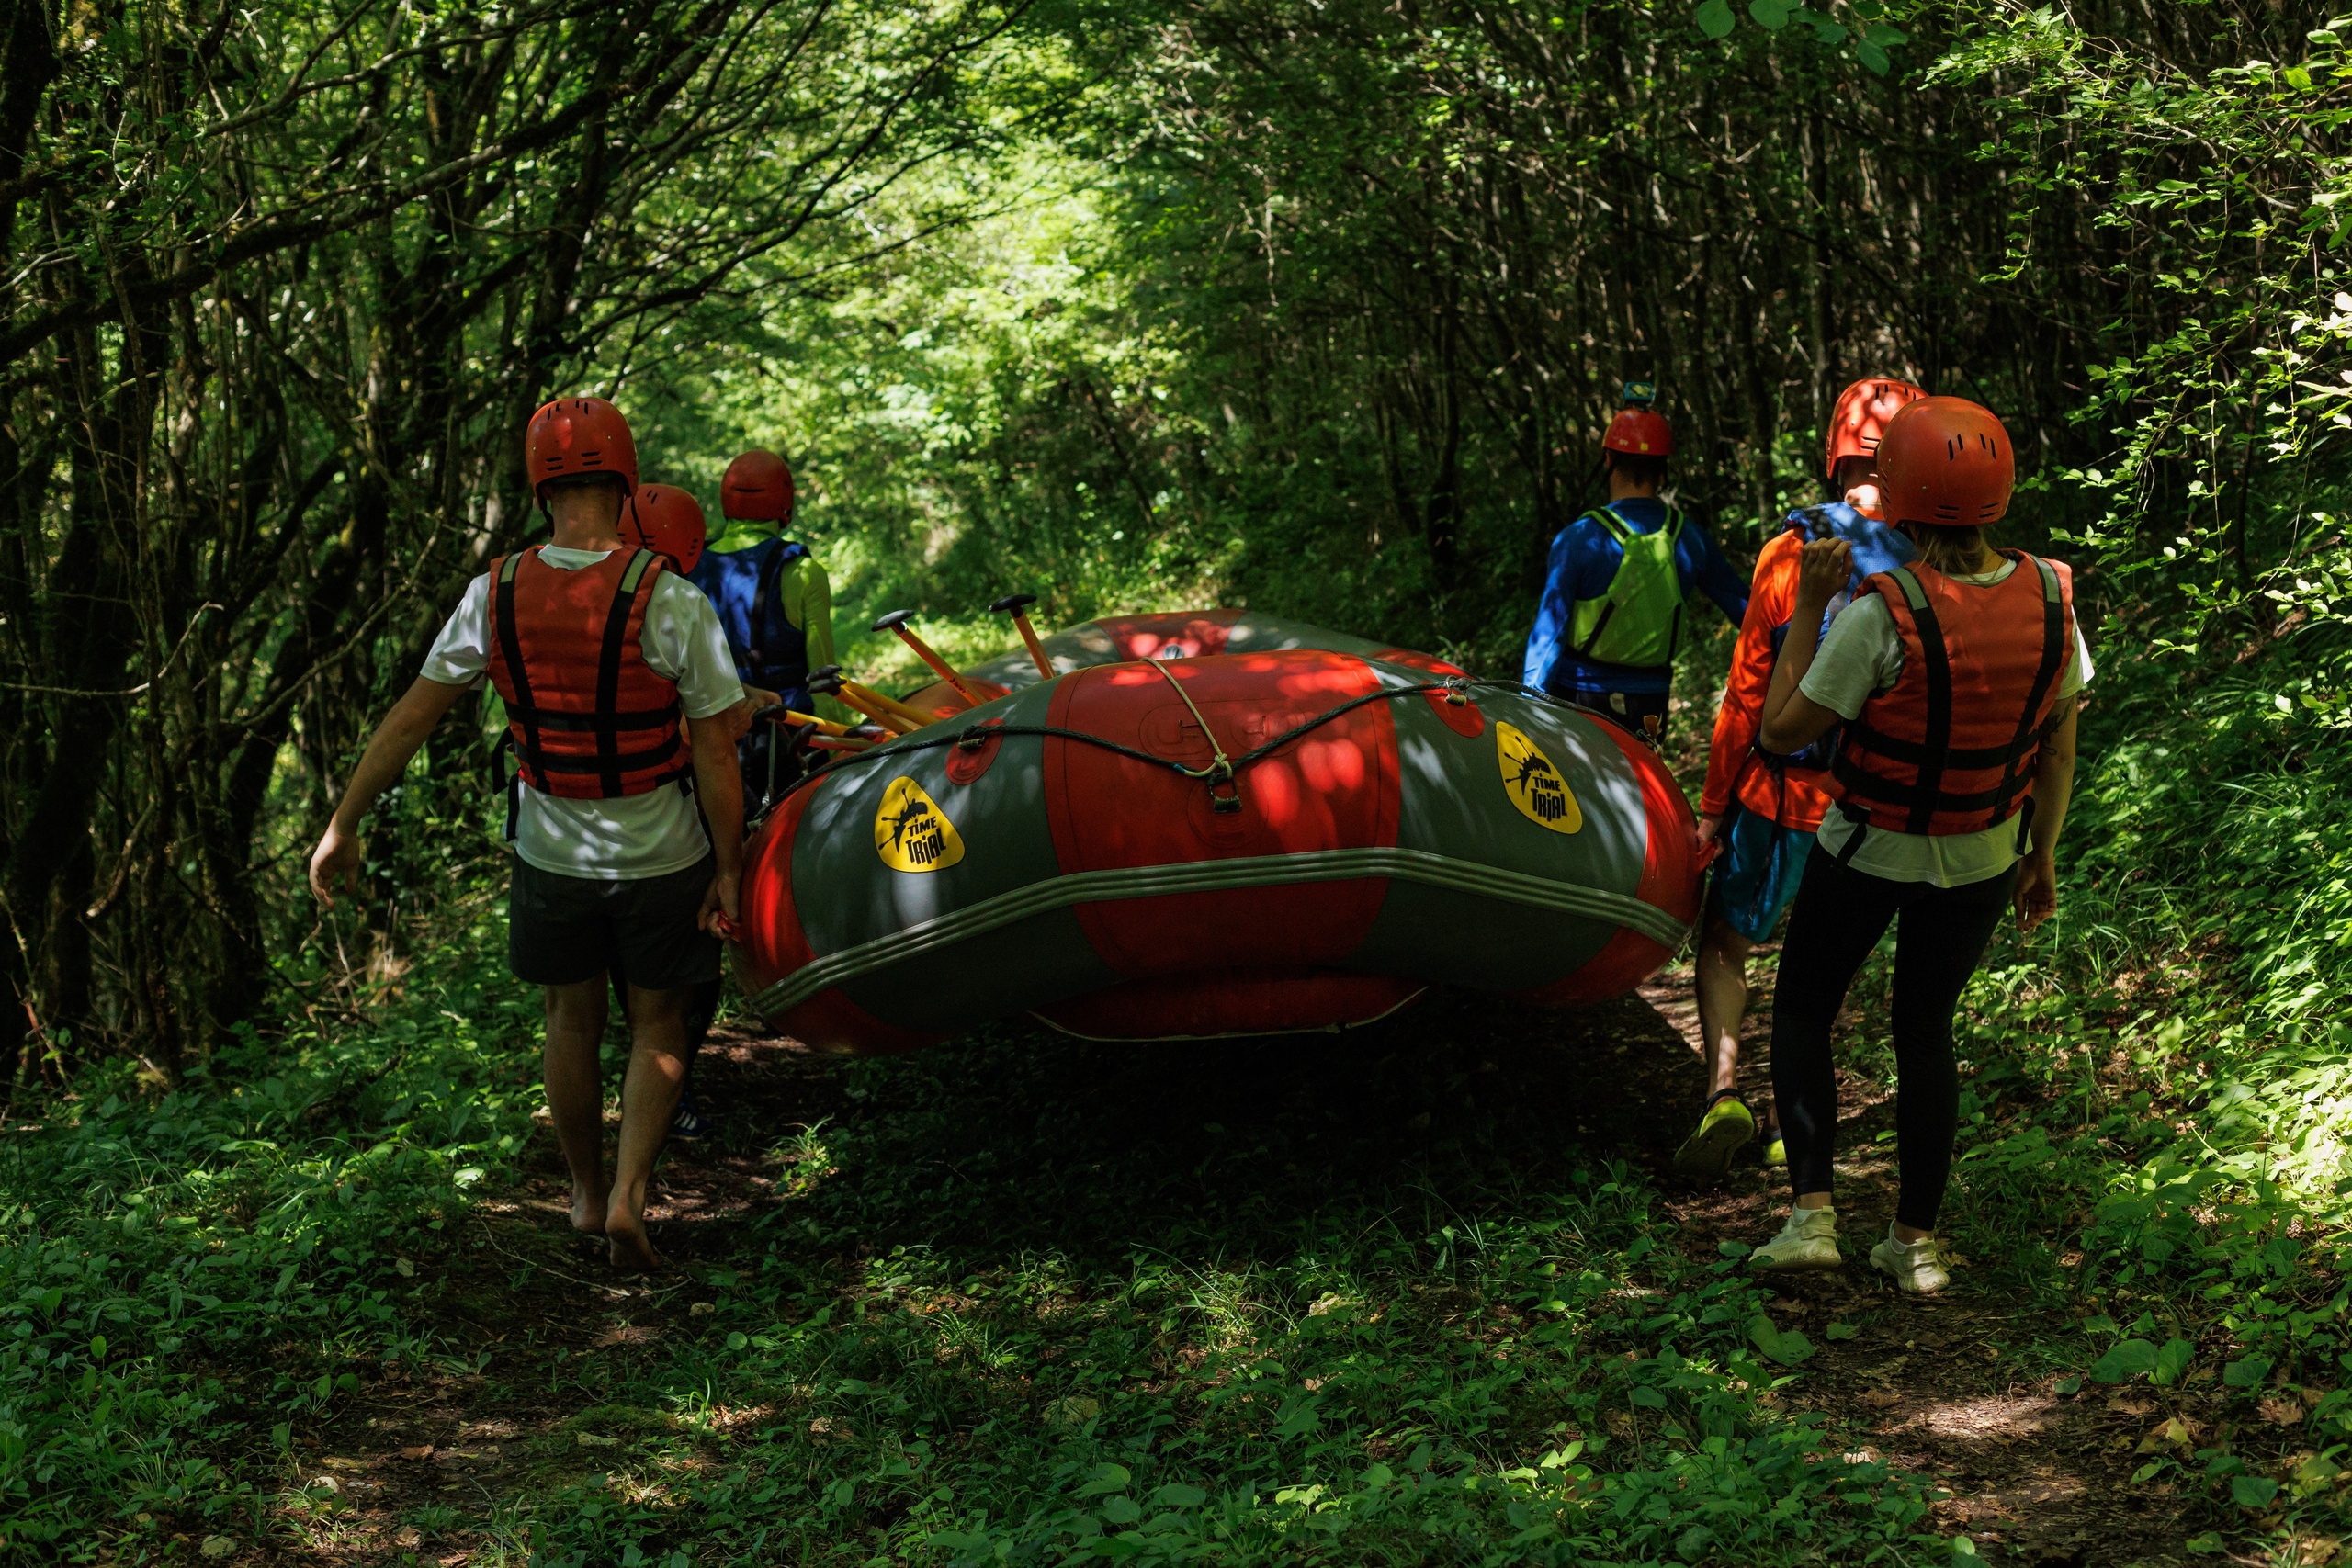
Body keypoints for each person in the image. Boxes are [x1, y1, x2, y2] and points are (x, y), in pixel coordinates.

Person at [308, 397, 765, 1271]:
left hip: (552, 856)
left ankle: (586, 1193)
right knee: (659, 1021)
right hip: (663, 856)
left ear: (538, 488)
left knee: (568, 1018)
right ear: (626, 482)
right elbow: (715, 755)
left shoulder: (494, 594)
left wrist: (344, 822)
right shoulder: (672, 599)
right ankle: (631, 1192)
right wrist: (730, 867)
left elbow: (410, 720)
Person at [1743, 397, 2091, 1294]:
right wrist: (2041, 855)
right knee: (1924, 1030)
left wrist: (1811, 603)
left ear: (1897, 493)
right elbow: (2058, 750)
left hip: (1868, 848)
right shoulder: (2053, 598)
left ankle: (1812, 1220)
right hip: (1983, 855)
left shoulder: (1881, 613)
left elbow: (1780, 731)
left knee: (1802, 1011)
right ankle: (1915, 1243)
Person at [1677, 378, 1925, 1176]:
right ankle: (1799, 1120)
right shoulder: (1932, 564)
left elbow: (1747, 692)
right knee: (1820, 970)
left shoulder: (1791, 553)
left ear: (1834, 458)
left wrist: (1712, 810)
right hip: (1874, 811)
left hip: (1778, 798)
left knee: (1725, 939)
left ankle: (1723, 1091)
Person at [1523, 385, 1747, 736]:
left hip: (1580, 699)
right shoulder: (1690, 539)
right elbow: (1747, 611)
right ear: (1664, 470)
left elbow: (1550, 634)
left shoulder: (1578, 539)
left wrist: (1529, 703)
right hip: (1651, 705)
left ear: (1608, 460)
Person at [689, 448, 838, 815]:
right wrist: (840, 753)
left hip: (713, 744)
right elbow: (823, 681)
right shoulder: (803, 572)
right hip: (791, 742)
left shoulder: (689, 568)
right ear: (784, 502)